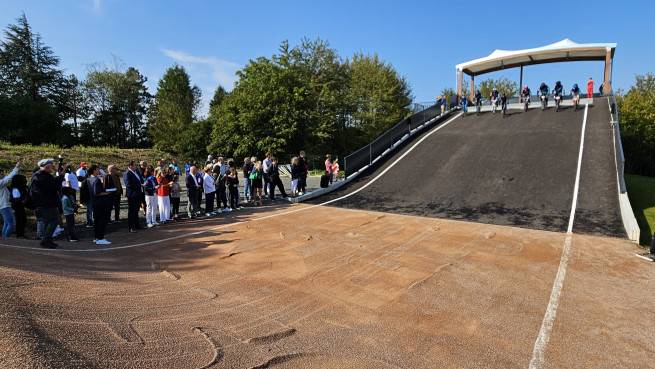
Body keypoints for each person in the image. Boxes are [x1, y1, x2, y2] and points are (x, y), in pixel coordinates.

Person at [31, 159, 60, 248]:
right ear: (46, 166)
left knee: (48, 222)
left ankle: (48, 240)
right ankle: (45, 240)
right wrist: (59, 176)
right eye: (51, 165)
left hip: (47, 204)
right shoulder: (39, 176)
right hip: (44, 204)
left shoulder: (45, 175)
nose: (52, 167)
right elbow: (52, 187)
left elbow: (54, 185)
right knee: (54, 221)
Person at [86, 165, 112, 245]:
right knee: (101, 221)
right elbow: (98, 192)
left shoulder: (88, 179)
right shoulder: (96, 180)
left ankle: (97, 237)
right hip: (100, 203)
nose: (99, 171)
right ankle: (101, 238)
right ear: (94, 170)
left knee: (97, 221)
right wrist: (107, 193)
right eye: (97, 170)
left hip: (94, 203)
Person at [0, 162, 19, 240]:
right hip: (4, 206)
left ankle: (4, 238)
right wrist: (16, 168)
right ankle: (5, 238)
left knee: (6, 223)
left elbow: (6, 179)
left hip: (4, 205)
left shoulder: (1, 182)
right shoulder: (0, 183)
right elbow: (8, 179)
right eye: (0, 173)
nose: (2, 174)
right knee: (11, 224)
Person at [123, 160, 143, 233]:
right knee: (132, 211)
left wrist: (141, 184)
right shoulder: (127, 173)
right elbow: (128, 184)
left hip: (138, 194)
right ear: (130, 166)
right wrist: (139, 185)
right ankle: (131, 227)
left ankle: (137, 225)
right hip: (132, 195)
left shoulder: (136, 172)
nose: (136, 166)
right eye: (135, 165)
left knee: (136, 210)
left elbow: (140, 180)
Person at [10, 173, 27, 238]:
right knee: (20, 219)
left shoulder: (20, 187)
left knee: (22, 219)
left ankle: (21, 233)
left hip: (19, 206)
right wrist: (23, 200)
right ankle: (19, 234)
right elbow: (16, 198)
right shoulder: (15, 188)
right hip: (17, 206)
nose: (25, 180)